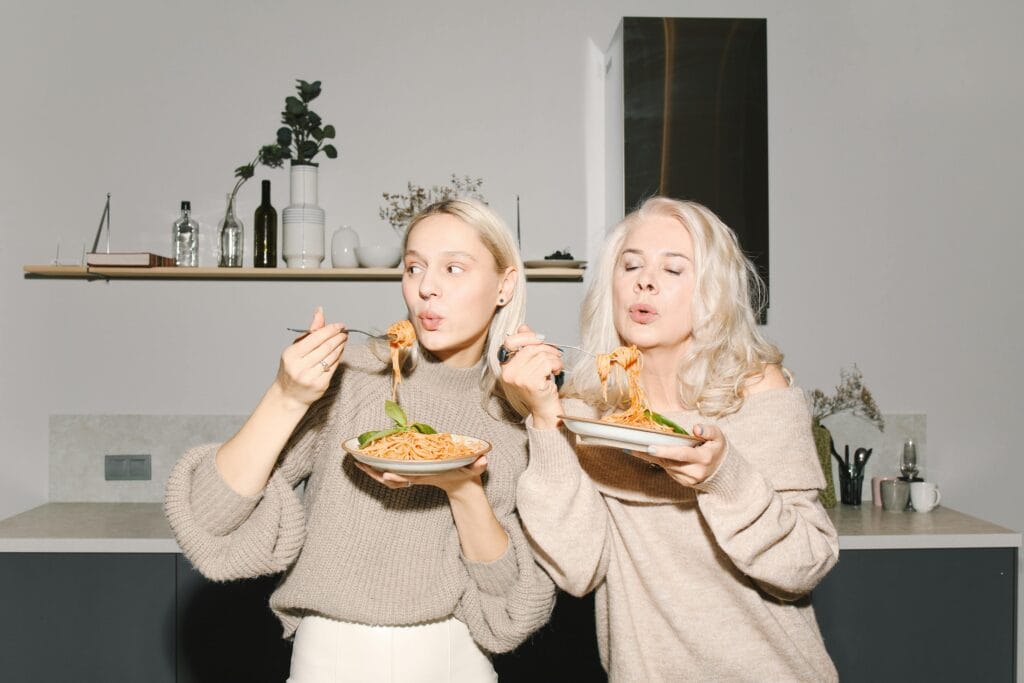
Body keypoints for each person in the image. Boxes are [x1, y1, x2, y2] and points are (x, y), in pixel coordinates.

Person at [165, 198, 555, 682]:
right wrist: (285, 397)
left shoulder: (522, 412)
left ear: (505, 284)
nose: (426, 288)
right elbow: (209, 520)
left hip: (454, 661)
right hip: (328, 658)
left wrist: (462, 487)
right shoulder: (351, 377)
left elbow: (508, 608)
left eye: (453, 268)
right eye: (414, 267)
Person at [501, 197, 839, 682]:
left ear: (711, 293)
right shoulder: (586, 414)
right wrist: (543, 418)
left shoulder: (757, 392)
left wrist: (724, 477)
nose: (645, 280)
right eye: (631, 264)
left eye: (673, 269)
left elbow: (805, 566)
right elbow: (578, 570)